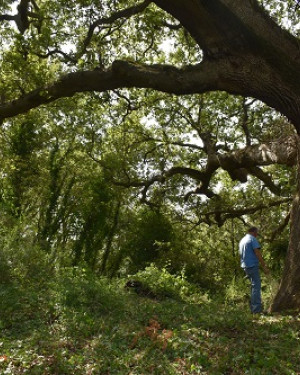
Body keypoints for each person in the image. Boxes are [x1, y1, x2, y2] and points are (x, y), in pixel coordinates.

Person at [239, 226, 270, 314]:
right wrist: (264, 266)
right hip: (252, 265)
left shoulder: (242, 240)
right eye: (257, 233)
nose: (257, 235)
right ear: (254, 232)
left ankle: (254, 308)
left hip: (245, 266)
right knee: (256, 286)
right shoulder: (252, 239)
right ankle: (256, 310)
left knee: (254, 286)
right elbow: (257, 252)